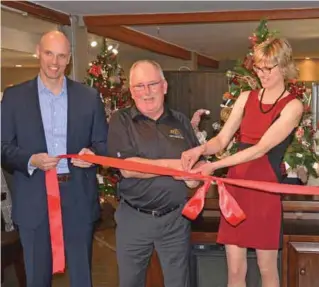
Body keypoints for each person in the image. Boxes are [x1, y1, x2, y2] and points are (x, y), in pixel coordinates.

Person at [181, 37, 304, 287]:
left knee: (267, 268)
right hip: (236, 187)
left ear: (283, 67)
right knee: (235, 271)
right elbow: (222, 139)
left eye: (267, 68)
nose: (262, 74)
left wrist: (214, 166)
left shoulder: (293, 106)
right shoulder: (246, 97)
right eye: (258, 68)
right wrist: (200, 149)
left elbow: (260, 149)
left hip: (263, 189)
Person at [1, 30, 108, 287]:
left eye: (61, 56)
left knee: (82, 277)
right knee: (37, 278)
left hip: (78, 198)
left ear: (69, 59)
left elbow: (102, 143)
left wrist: (93, 156)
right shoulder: (14, 97)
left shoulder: (89, 97)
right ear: (38, 51)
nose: (54, 62)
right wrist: (30, 160)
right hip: (33, 199)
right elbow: (2, 146)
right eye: (49, 53)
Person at [107, 60, 203, 287]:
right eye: (139, 86)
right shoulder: (121, 120)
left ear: (165, 86)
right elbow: (129, 168)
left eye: (152, 84)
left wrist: (193, 179)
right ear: (131, 91)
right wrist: (177, 166)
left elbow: (195, 171)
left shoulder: (180, 121)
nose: (147, 92)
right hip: (134, 220)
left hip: (175, 221)